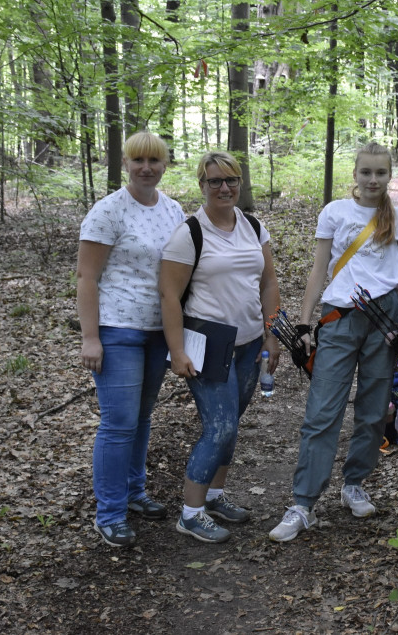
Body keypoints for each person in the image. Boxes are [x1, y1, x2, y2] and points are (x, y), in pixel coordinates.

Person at [268, 141, 398, 542]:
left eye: (380, 173)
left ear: (390, 176)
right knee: (322, 413)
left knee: (372, 411)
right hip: (338, 319)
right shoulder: (334, 212)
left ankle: (355, 483)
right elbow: (319, 271)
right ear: (354, 173)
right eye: (366, 172)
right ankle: (303, 502)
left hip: (384, 321)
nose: (373, 180)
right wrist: (303, 324)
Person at [159, 151, 281, 543]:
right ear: (202, 185)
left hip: (248, 345)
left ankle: (213, 497)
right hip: (208, 347)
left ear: (239, 183)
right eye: (215, 181)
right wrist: (177, 351)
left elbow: (268, 285)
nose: (224, 188)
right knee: (220, 426)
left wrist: (271, 334)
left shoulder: (253, 226)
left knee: (230, 427)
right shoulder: (189, 233)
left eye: (231, 180)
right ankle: (190, 514)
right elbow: (169, 296)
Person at [77, 131, 186, 548]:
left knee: (141, 419)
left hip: (159, 331)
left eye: (154, 161)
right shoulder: (107, 212)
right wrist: (91, 337)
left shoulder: (172, 210)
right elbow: (87, 277)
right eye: (138, 160)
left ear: (164, 165)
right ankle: (109, 513)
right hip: (118, 330)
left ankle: (135, 492)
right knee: (118, 424)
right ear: (125, 163)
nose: (146, 168)